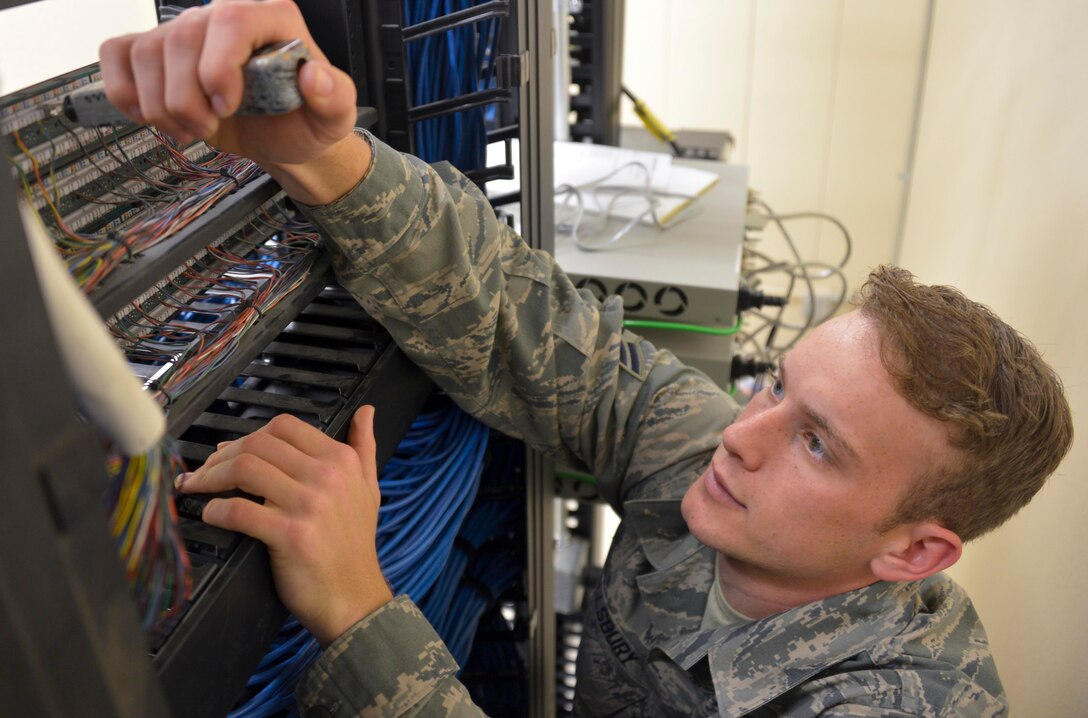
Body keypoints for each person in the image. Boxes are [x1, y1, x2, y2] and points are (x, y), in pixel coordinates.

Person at [100, 2, 1073, 715]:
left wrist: (359, 613)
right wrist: (319, 152)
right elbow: (525, 324)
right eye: (777, 384)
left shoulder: (891, 704)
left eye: (817, 445)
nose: (740, 434)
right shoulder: (721, 459)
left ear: (913, 552)